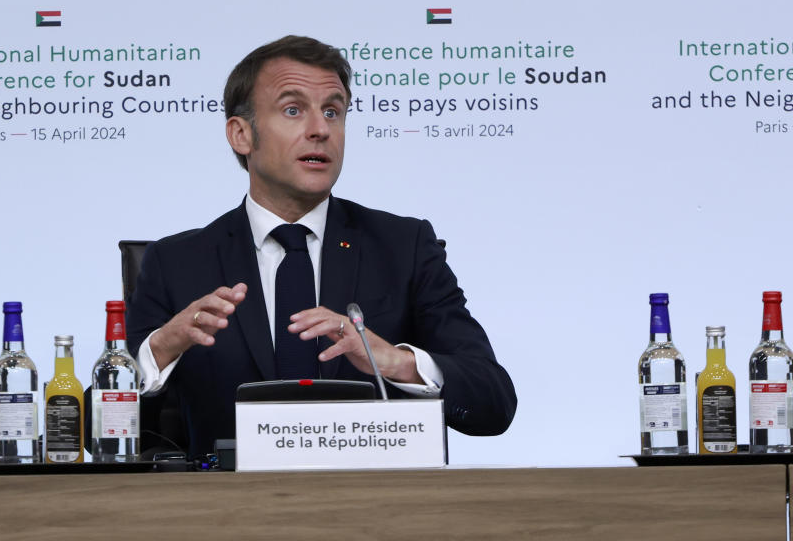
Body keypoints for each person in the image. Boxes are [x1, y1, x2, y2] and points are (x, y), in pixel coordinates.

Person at [126, 35, 516, 457]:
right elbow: (99, 432)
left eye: (333, 111)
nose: (320, 129)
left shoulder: (404, 248)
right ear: (241, 135)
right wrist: (160, 352)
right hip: (228, 512)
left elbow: (494, 403)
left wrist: (396, 362)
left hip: (380, 508)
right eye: (293, 110)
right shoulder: (177, 263)